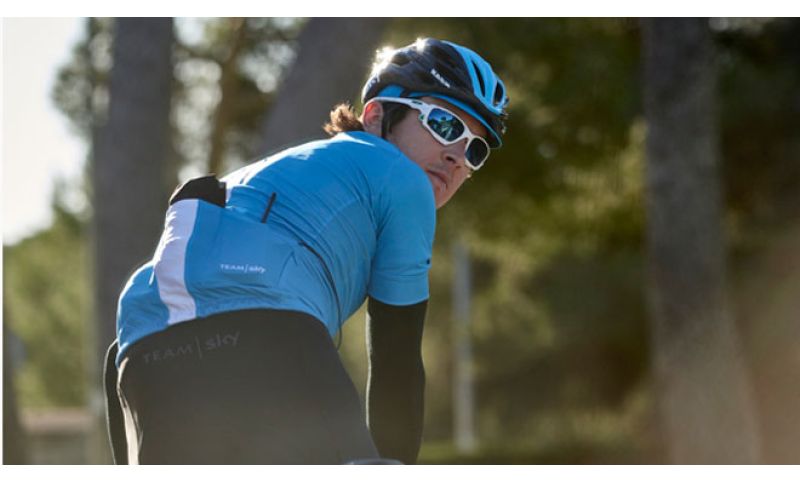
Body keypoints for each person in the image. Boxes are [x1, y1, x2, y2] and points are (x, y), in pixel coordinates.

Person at [104, 37, 509, 464]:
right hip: (265, 334)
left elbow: (124, 352)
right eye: (445, 124)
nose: (457, 156)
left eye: (476, 149)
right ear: (376, 116)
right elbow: (396, 357)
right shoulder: (403, 178)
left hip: (142, 351)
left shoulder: (276, 173)